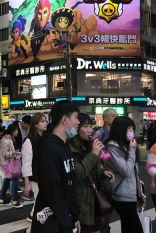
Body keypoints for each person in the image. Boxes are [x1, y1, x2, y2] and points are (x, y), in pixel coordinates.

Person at [31, 100, 80, 233]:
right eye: (76, 117)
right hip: (53, 222)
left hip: (65, 218)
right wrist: (66, 224)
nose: (78, 122)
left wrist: (74, 216)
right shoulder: (49, 150)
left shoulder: (64, 146)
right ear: (65, 119)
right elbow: (53, 191)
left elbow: (70, 185)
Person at [70, 113, 115, 233]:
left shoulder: (88, 145)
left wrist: (102, 171)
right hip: (81, 201)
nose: (90, 131)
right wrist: (94, 154)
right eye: (85, 126)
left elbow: (91, 169)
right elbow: (78, 173)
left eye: (91, 126)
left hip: (93, 199)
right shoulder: (71, 148)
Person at [104, 116, 144, 233]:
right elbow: (126, 171)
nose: (131, 131)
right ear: (120, 130)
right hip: (121, 195)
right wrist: (132, 150)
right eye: (128, 128)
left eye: (132, 128)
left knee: (127, 227)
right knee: (135, 228)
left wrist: (140, 195)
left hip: (131, 193)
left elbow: (135, 173)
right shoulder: (112, 147)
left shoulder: (127, 146)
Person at [93, 108, 116, 233]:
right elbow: (94, 153)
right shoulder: (99, 134)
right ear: (105, 118)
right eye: (112, 116)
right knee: (104, 207)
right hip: (103, 174)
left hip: (113, 172)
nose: (115, 118)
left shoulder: (116, 133)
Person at [22, 113, 47, 225]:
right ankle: (35, 220)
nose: (45, 123)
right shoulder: (29, 140)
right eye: (42, 121)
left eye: (45, 121)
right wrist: (27, 183)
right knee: (40, 199)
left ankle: (33, 215)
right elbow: (26, 163)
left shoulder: (44, 138)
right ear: (36, 125)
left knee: (41, 199)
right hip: (35, 176)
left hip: (43, 175)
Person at [0, 124, 23, 208]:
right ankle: (14, 200)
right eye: (16, 130)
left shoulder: (9, 140)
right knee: (14, 180)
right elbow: (4, 154)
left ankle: (2, 199)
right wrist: (13, 153)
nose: (17, 132)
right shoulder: (6, 141)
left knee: (7, 180)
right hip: (9, 163)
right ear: (12, 131)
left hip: (8, 163)